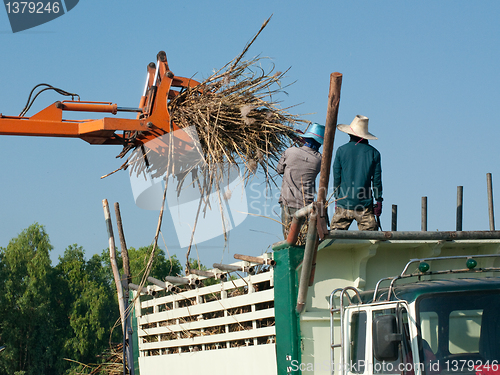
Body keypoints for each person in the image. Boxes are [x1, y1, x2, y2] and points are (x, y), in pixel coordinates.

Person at [330, 115, 382, 231]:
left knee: (333, 240)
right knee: (372, 240)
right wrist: (379, 200)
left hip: (344, 203)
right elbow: (377, 180)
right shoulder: (374, 153)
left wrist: (337, 198)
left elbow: (336, 176)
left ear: (349, 133)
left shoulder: (341, 150)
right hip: (364, 205)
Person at [277, 123, 324, 238]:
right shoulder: (320, 160)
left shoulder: (290, 151)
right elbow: (310, 155)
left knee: (290, 239)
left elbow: (279, 170)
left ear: (305, 138)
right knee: (304, 240)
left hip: (288, 202)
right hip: (306, 205)